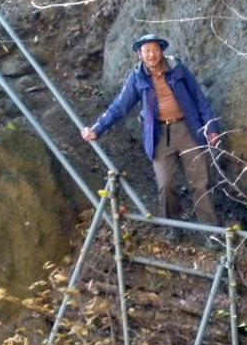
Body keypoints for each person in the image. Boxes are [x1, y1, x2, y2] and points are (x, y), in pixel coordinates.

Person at [81, 34, 220, 246]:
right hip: (159, 134)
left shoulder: (177, 69)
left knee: (200, 182)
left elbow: (199, 98)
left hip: (187, 129)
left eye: (154, 49)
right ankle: (173, 227)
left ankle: (210, 232)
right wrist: (97, 128)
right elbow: (120, 106)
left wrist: (210, 127)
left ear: (161, 50)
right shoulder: (137, 78)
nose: (151, 54)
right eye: (146, 51)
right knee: (165, 184)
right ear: (139, 54)